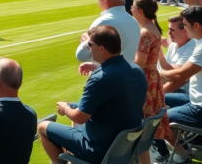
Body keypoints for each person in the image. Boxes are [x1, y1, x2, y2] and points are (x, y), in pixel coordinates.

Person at [39, 25, 147, 164]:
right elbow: (119, 89)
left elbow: (80, 117)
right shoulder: (136, 70)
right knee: (75, 106)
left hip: (100, 149)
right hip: (126, 145)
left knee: (43, 127)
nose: (88, 48)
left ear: (102, 48)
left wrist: (65, 108)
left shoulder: (100, 78)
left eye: (90, 45)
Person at [160, 6, 202, 162]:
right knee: (160, 98)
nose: (184, 30)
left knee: (157, 118)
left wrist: (157, 74)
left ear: (196, 26)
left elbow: (181, 75)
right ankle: (182, 145)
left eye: (186, 26)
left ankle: (179, 156)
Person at [130, 0, 175, 164]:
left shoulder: (144, 32)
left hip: (146, 80)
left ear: (140, 11)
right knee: (151, 117)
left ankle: (142, 157)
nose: (131, 10)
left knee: (143, 120)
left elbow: (140, 63)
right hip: (153, 78)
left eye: (133, 7)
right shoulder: (154, 28)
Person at [77, 0, 141, 74]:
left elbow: (81, 55)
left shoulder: (103, 22)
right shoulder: (134, 22)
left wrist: (86, 41)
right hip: (128, 79)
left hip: (107, 80)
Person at [159, 16, 196, 94]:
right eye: (169, 29)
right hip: (170, 84)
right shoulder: (173, 45)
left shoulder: (192, 48)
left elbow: (176, 73)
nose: (169, 33)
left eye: (172, 30)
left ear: (185, 31)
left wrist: (158, 51)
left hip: (183, 91)